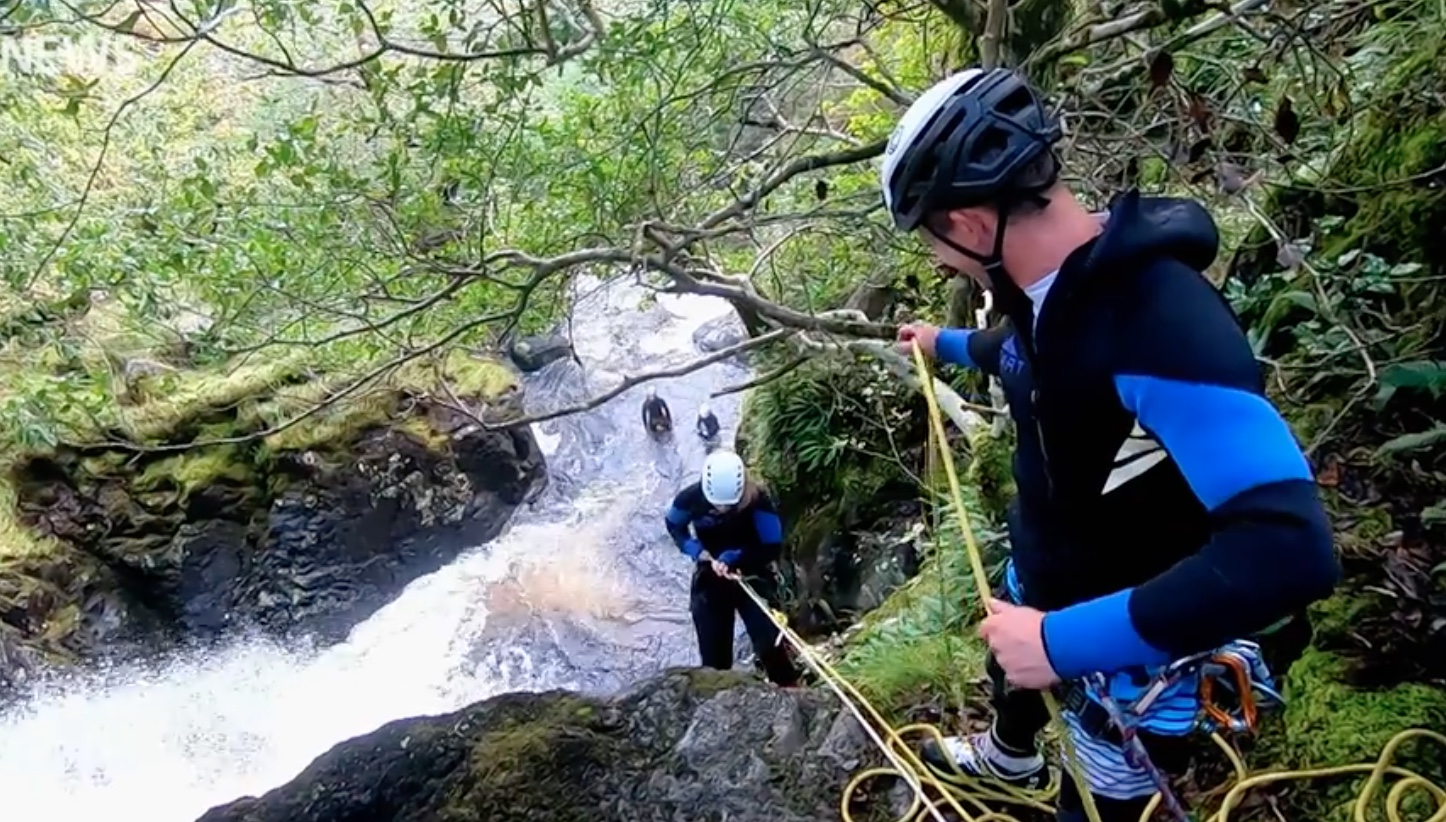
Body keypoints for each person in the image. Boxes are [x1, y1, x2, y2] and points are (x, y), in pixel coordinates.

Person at [879, 66, 1338, 820]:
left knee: (1095, 803)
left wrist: (1059, 644)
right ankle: (1009, 759)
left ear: (965, 224)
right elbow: (1017, 355)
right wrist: (939, 341)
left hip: (1136, 640)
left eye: (934, 239)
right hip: (1049, 577)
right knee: (1013, 667)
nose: (938, 259)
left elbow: (1289, 549)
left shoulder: (1158, 320)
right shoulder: (1044, 292)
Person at [663, 449, 801, 687]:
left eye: (729, 506)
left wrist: (737, 557)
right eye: (717, 506)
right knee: (714, 657)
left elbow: (771, 546)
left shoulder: (758, 502)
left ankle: (790, 688)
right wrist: (696, 550)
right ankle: (720, 699)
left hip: (752, 571)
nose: (723, 510)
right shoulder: (691, 499)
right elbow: (674, 526)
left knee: (769, 644)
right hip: (711, 573)